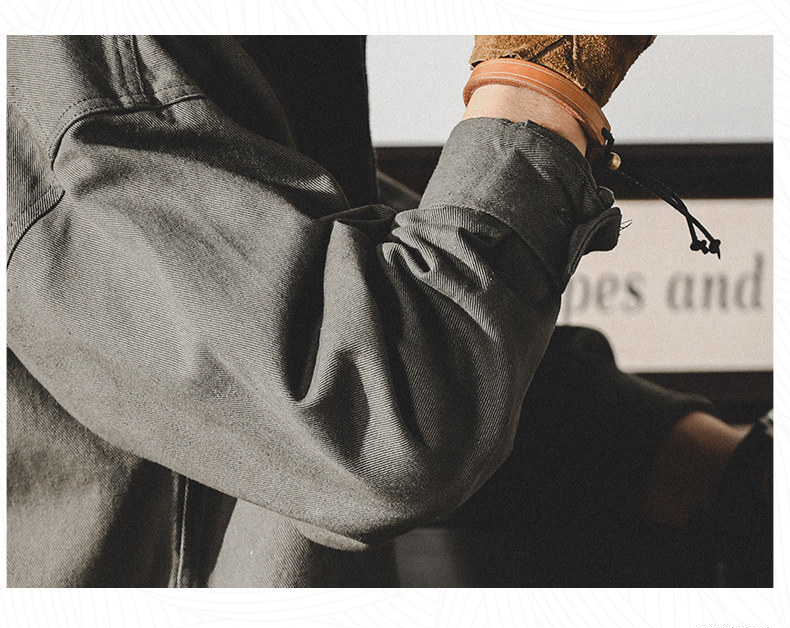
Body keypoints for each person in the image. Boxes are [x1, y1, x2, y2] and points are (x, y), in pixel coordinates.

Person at [6, 35, 771, 588]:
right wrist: (542, 78)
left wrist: (726, 472)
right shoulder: (72, 59)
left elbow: (347, 294)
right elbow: (378, 423)